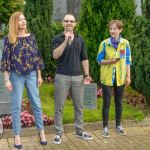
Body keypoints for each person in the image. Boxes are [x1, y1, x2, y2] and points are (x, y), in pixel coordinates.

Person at [1, 12, 47, 149]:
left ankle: (41, 132)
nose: (23, 21)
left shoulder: (31, 37)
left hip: (32, 74)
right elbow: (5, 61)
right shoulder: (9, 39)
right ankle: (17, 136)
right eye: (20, 20)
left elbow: (37, 57)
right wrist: (6, 80)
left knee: (36, 104)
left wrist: (39, 75)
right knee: (16, 106)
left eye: (24, 19)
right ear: (15, 22)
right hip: (16, 76)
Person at [52, 14, 93, 144]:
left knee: (79, 106)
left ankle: (80, 131)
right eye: (66, 21)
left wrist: (86, 75)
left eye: (72, 21)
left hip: (78, 77)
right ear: (63, 23)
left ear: (75, 24)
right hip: (62, 76)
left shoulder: (80, 39)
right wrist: (65, 40)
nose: (69, 23)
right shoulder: (57, 38)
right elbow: (55, 55)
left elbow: (84, 58)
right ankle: (58, 133)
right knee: (59, 106)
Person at [97, 20, 131, 138]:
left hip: (120, 77)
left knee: (119, 102)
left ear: (120, 30)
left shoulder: (125, 43)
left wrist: (128, 76)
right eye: (111, 29)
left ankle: (118, 125)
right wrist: (109, 61)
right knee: (106, 103)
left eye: (115, 29)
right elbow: (99, 60)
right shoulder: (104, 44)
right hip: (107, 77)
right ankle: (105, 127)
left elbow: (127, 61)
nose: (112, 31)